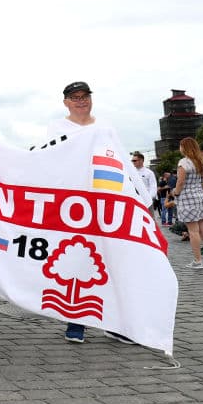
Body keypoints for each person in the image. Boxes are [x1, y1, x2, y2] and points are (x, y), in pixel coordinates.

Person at [46, 82, 135, 344]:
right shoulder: (57, 127)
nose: (81, 101)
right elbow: (51, 161)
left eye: (85, 97)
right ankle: (77, 321)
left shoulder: (105, 127)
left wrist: (135, 196)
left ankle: (115, 323)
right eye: (75, 97)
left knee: (112, 261)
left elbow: (120, 161)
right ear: (66, 102)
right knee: (78, 259)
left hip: (106, 201)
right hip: (74, 204)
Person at [173, 138, 203, 269]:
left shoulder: (183, 163)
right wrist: (198, 187)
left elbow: (180, 182)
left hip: (187, 199)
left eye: (181, 146)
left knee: (193, 231)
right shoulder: (201, 162)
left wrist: (176, 192)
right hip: (200, 198)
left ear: (185, 148)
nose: (180, 148)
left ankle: (197, 261)